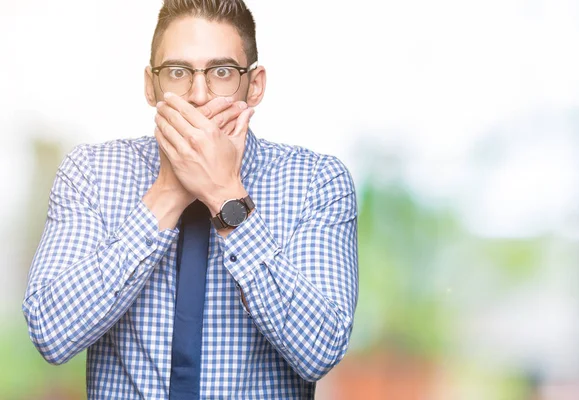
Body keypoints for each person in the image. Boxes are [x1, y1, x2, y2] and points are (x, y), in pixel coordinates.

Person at [22, 0, 358, 398]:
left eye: (221, 72)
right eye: (179, 72)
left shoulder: (317, 182)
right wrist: (167, 191)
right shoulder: (91, 174)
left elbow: (321, 349)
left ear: (255, 85)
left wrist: (223, 193)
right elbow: (50, 333)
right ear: (151, 85)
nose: (198, 95)